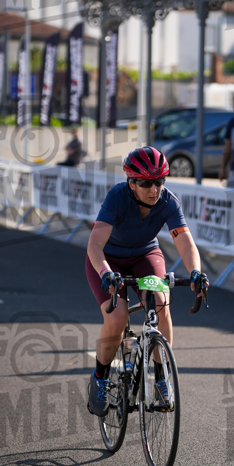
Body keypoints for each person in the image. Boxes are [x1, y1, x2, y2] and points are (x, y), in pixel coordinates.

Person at [86, 146, 208, 416]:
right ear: (132, 182)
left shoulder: (168, 201)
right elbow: (94, 245)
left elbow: (185, 244)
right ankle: (101, 377)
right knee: (116, 319)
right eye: (146, 183)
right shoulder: (117, 197)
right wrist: (106, 272)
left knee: (161, 304)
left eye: (160, 181)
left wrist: (196, 271)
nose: (155, 189)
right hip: (108, 259)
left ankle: (163, 379)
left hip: (145, 255)